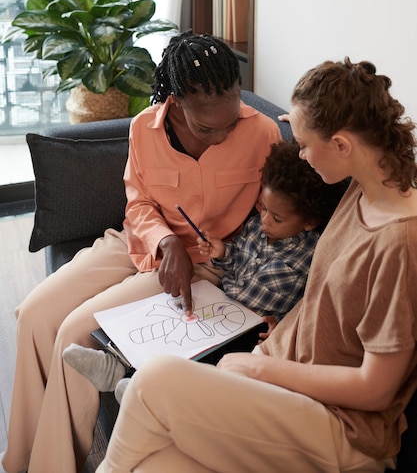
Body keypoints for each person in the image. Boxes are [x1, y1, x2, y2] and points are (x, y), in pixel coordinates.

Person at [95, 57, 417, 473]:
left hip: (340, 426)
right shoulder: (362, 186)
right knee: (152, 462)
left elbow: (375, 390)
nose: (300, 155)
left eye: (302, 143)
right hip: (281, 379)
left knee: (154, 380)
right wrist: (271, 349)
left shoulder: (399, 240)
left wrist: (259, 365)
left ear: (342, 145)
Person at [0, 31, 280, 473]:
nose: (222, 135)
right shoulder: (143, 128)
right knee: (34, 314)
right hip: (138, 242)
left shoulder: (262, 133)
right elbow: (140, 201)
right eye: (208, 128)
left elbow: (276, 220)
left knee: (75, 332)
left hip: (202, 267)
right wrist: (164, 241)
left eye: (230, 123)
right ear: (178, 102)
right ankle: (18, 460)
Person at [62, 140, 349, 392]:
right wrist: (223, 252)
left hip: (252, 332)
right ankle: (116, 366)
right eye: (262, 208)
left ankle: (140, 386)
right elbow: (238, 260)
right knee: (171, 324)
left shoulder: (312, 255)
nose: (264, 221)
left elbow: (313, 305)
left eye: (277, 218)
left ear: (309, 222)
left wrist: (284, 328)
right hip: (223, 303)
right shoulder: (258, 229)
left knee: (201, 359)